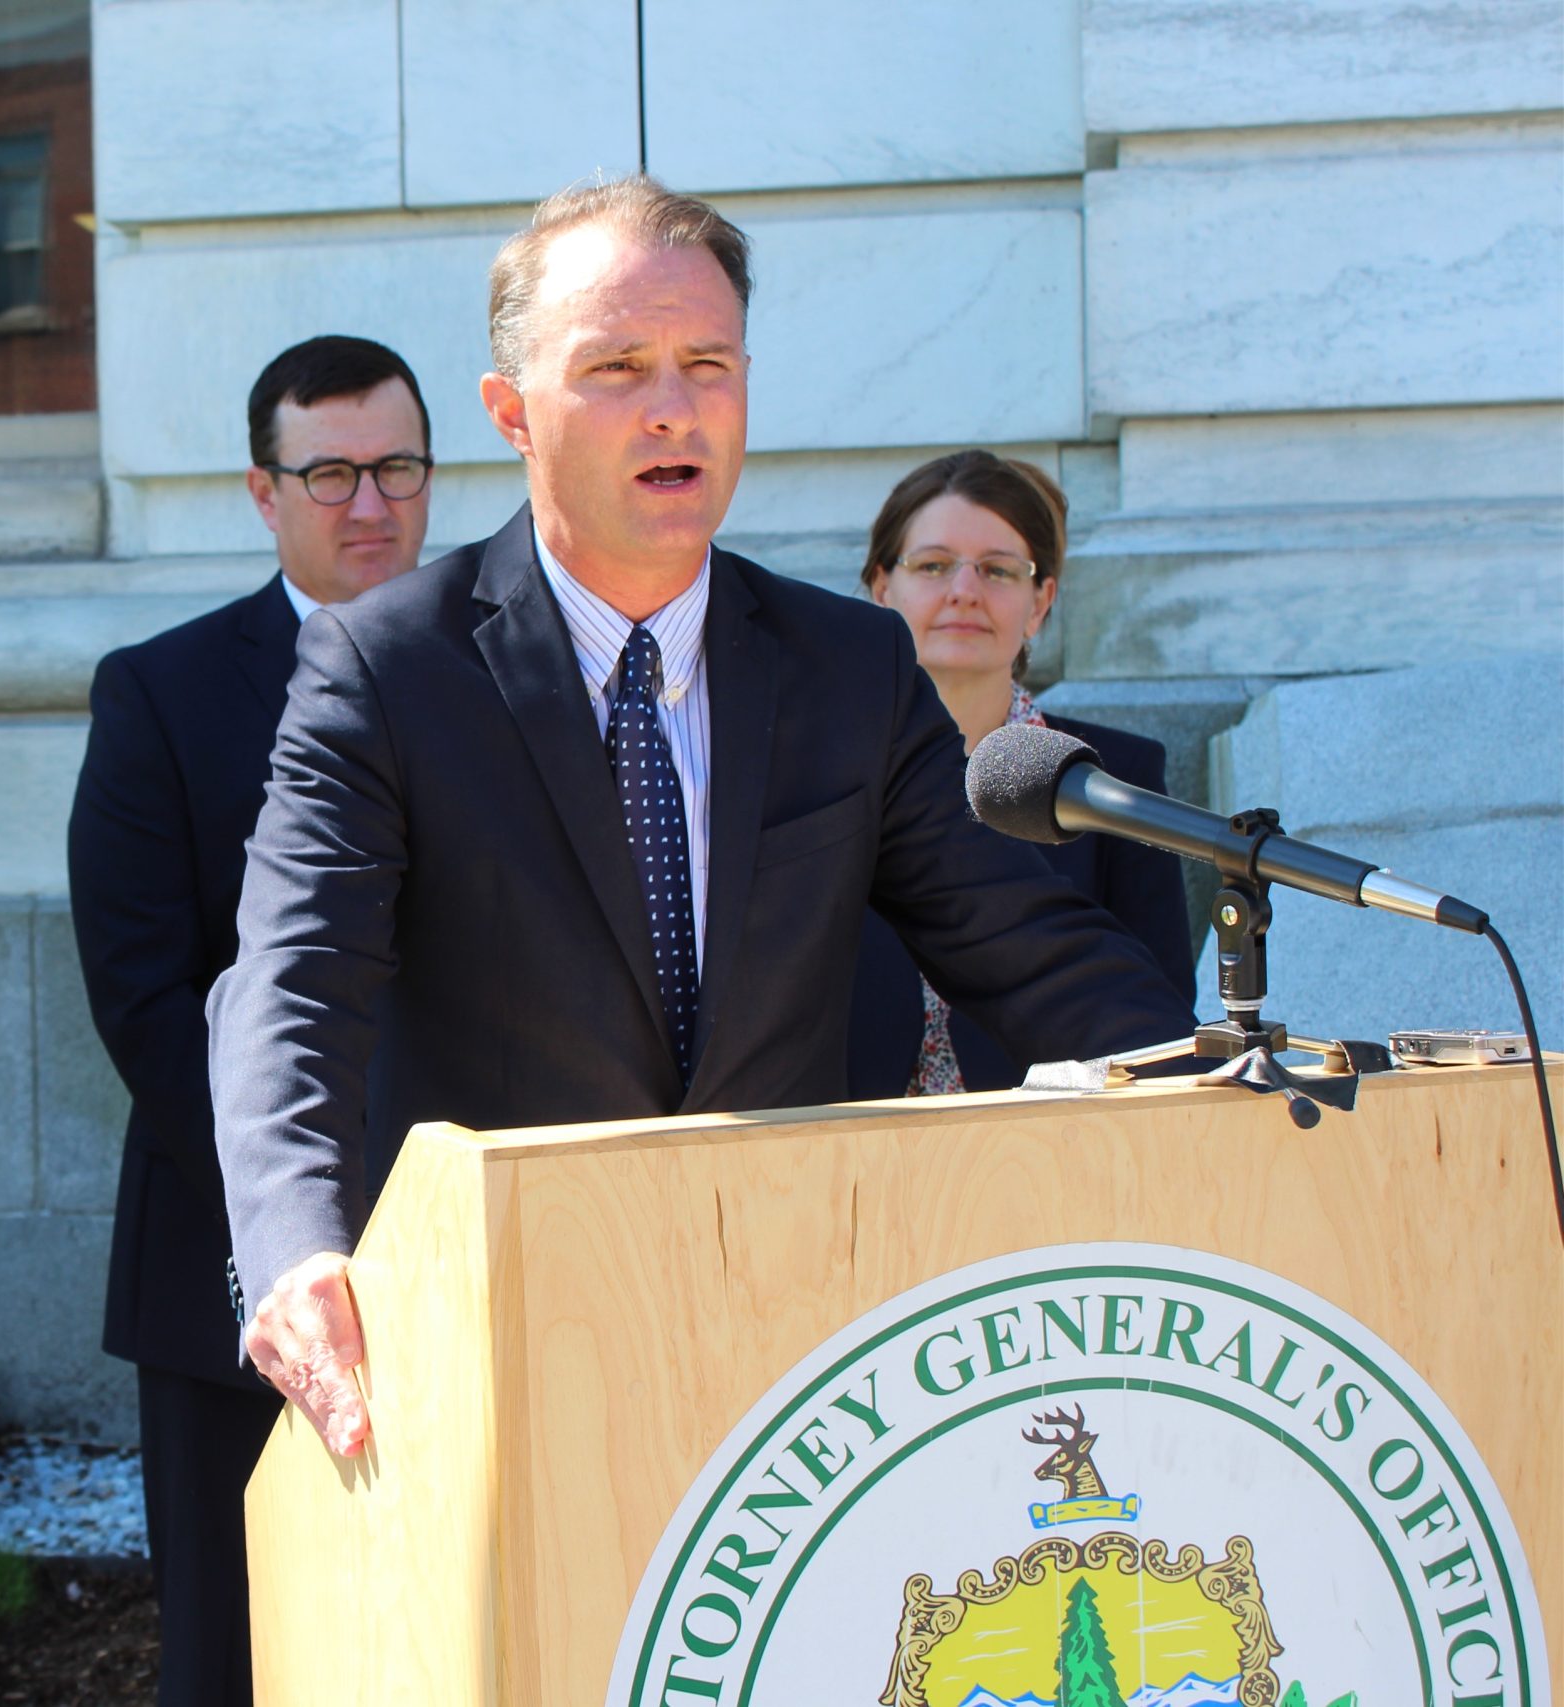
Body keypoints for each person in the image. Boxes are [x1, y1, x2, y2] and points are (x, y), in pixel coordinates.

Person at [206, 175, 1196, 1459]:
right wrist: (296, 1245)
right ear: (512, 412)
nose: (671, 405)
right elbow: (291, 984)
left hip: (789, 1350)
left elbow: (1026, 947)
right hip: (510, 1344)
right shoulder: (386, 667)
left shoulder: (846, 665)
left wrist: (1213, 1093)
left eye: (706, 364)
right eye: (616, 367)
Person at [70, 334, 434, 1705]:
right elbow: (141, 989)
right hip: (229, 1266)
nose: (369, 503)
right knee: (240, 1655)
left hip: (468, 1235)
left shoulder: (510, 668)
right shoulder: (160, 693)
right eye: (329, 473)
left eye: (397, 468)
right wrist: (300, 1207)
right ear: (262, 491)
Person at [846, 451, 1199, 1097]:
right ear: (881, 588)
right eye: (933, 565)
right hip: (847, 1141)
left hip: (1052, 1141)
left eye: (999, 570)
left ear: (1041, 602)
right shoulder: (822, 771)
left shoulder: (1116, 781)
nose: (964, 590)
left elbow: (1159, 1013)